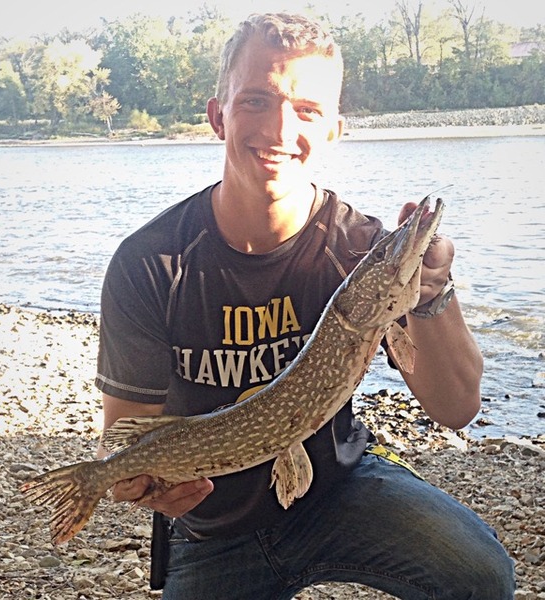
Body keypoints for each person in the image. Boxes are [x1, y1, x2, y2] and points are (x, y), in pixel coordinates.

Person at [95, 12, 515, 599]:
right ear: (218, 115)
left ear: (334, 130)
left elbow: (457, 407)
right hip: (212, 529)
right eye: (256, 101)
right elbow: (124, 438)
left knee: (481, 574)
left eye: (307, 110)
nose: (279, 128)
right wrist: (145, 486)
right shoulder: (150, 262)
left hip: (341, 490)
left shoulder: (359, 250)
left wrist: (431, 294)